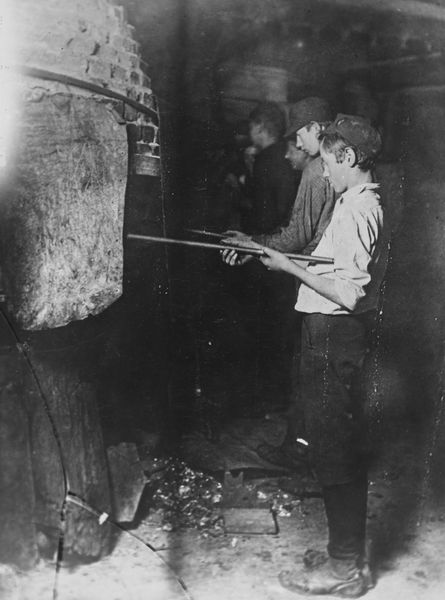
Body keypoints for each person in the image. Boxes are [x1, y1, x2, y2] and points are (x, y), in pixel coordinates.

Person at [246, 114, 387, 597]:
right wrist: (288, 259)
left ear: (347, 157)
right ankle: (343, 556)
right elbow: (338, 264)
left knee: (334, 452)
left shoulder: (356, 209)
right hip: (326, 333)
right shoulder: (354, 201)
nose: (323, 173)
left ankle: (344, 569)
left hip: (335, 334)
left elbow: (348, 293)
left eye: (327, 163)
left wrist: (287, 265)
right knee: (330, 446)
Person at [225, 97, 336, 463]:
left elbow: (295, 235)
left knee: (307, 367)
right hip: (336, 282)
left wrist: (251, 243)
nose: (297, 145)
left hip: (318, 282)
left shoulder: (317, 169)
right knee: (319, 369)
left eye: (300, 134)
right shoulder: (342, 167)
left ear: (317, 128)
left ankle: (303, 451)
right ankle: (311, 447)